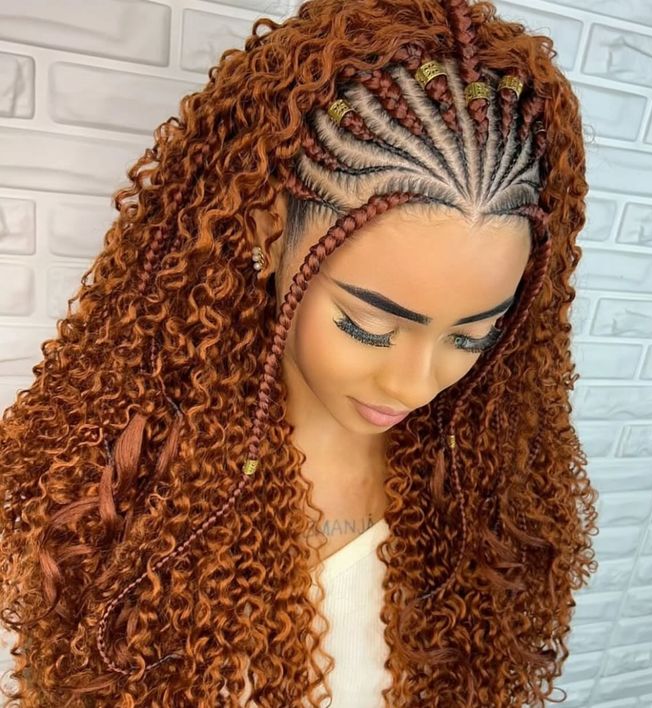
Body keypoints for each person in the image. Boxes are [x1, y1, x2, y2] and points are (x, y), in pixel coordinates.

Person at [0, 0, 599, 705]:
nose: (414, 385)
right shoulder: (114, 482)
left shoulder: (488, 494)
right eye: (369, 325)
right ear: (268, 227)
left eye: (470, 335)